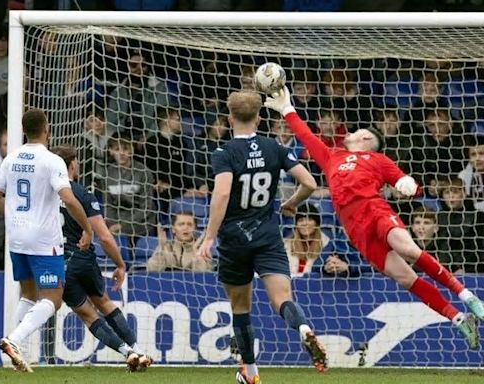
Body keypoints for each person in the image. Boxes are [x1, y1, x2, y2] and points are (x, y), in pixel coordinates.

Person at [265, 86, 484, 350]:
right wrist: (287, 108)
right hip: (355, 230)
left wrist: (408, 186)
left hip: (375, 211)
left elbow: (408, 184)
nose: (352, 132)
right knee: (405, 279)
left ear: (367, 139)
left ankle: (467, 295)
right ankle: (459, 318)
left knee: (408, 249)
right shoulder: (333, 157)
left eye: (358, 132)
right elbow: (306, 136)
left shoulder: (377, 159)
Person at [197, 91, 326, 384]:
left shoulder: (224, 152)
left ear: (229, 118)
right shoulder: (274, 147)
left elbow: (223, 192)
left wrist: (208, 237)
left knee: (241, 308)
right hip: (267, 236)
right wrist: (291, 204)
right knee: (282, 298)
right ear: (259, 116)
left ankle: (251, 373)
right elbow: (309, 182)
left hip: (234, 240)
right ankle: (304, 329)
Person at [0, 109, 93, 372]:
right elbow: (67, 198)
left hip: (18, 237)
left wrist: (11, 215)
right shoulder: (52, 160)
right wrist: (87, 228)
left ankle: (8, 357)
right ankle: (13, 340)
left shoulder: (11, 158)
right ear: (47, 128)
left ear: (24, 130)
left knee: (29, 294)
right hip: (44, 239)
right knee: (53, 299)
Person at [51, 144, 153, 372]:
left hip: (57, 261)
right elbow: (105, 237)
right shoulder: (81, 193)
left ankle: (128, 353)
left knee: (88, 316)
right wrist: (119, 264)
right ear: (73, 165)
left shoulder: (43, 194)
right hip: (83, 258)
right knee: (104, 303)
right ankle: (137, 349)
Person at [147, 212, 212, 272]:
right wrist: (162, 248)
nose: (185, 227)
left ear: (195, 229)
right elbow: (152, 271)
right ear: (173, 229)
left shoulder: (202, 249)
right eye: (181, 224)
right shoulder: (166, 246)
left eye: (189, 224)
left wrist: (197, 255)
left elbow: (204, 277)